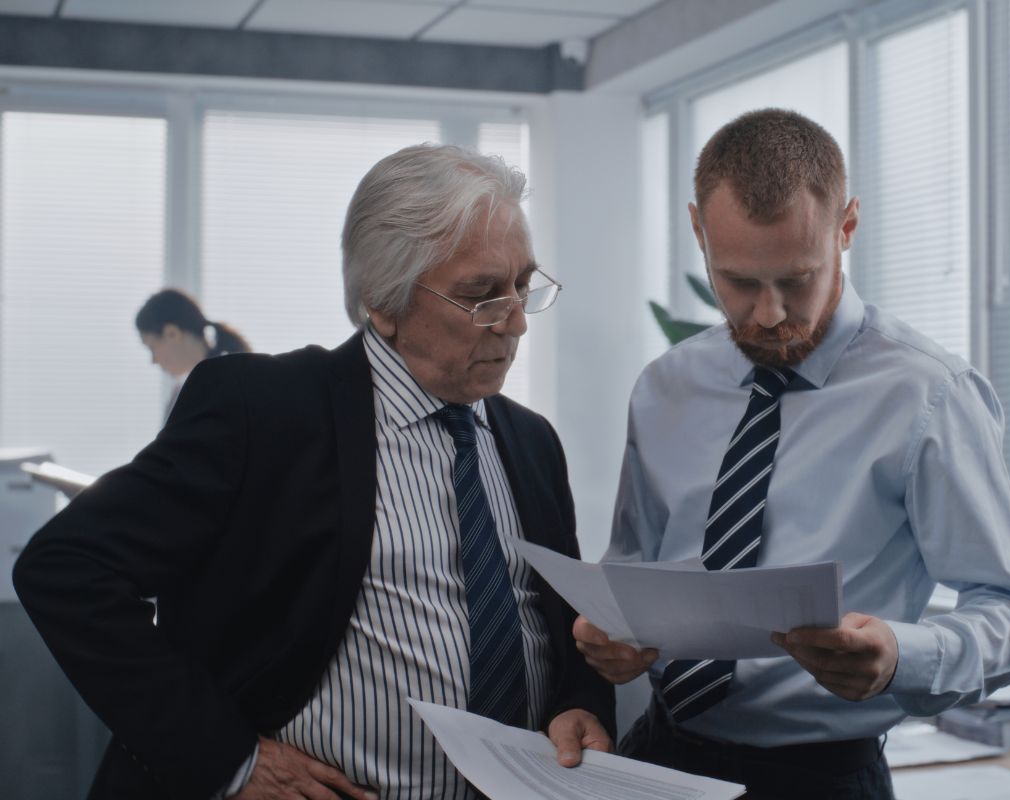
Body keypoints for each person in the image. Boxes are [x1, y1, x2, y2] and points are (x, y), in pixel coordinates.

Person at [14, 144, 614, 800]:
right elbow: (68, 568)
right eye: (482, 296)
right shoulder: (264, 411)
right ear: (382, 302)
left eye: (524, 286)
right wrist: (228, 761)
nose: (518, 322)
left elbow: (558, 631)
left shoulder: (530, 443)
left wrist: (578, 705)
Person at [573, 108, 1010, 799]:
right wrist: (610, 636)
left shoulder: (927, 395)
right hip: (658, 758)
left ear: (847, 227)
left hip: (820, 780)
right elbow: (630, 572)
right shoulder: (665, 388)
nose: (768, 314)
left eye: (798, 279)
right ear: (697, 231)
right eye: (737, 281)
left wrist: (900, 658)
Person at [135, 288, 251, 419]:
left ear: (171, 333)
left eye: (152, 348)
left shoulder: (225, 385)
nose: (153, 361)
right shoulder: (186, 390)